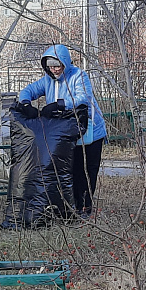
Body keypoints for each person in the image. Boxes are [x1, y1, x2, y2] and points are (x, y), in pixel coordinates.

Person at [17, 44, 106, 216]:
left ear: (65, 63)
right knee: (69, 171)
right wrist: (25, 103)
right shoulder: (48, 80)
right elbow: (29, 90)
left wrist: (60, 104)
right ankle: (71, 207)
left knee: (86, 172)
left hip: (90, 132)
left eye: (57, 66)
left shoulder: (79, 75)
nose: (55, 70)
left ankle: (85, 209)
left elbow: (83, 98)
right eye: (50, 67)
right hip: (68, 134)